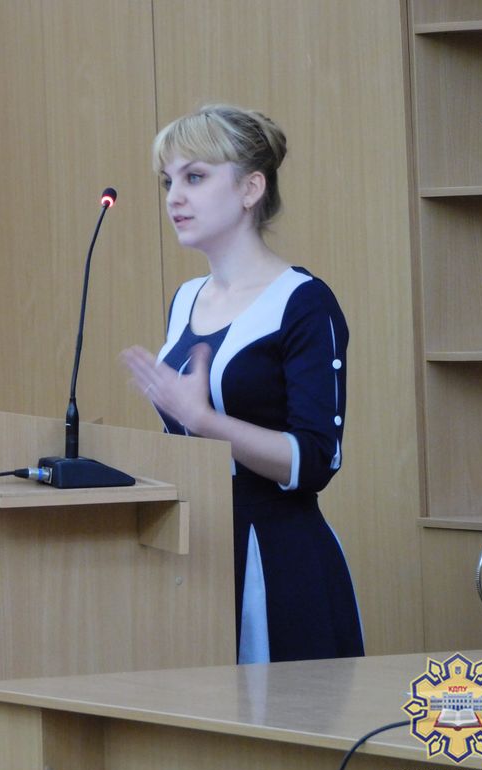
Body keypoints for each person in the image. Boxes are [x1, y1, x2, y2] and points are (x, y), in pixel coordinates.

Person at [121, 103, 364, 664]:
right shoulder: (186, 299)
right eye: (168, 181)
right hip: (193, 553)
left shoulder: (303, 303)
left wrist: (205, 422)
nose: (174, 197)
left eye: (195, 177)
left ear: (251, 188)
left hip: (277, 560)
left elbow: (315, 461)